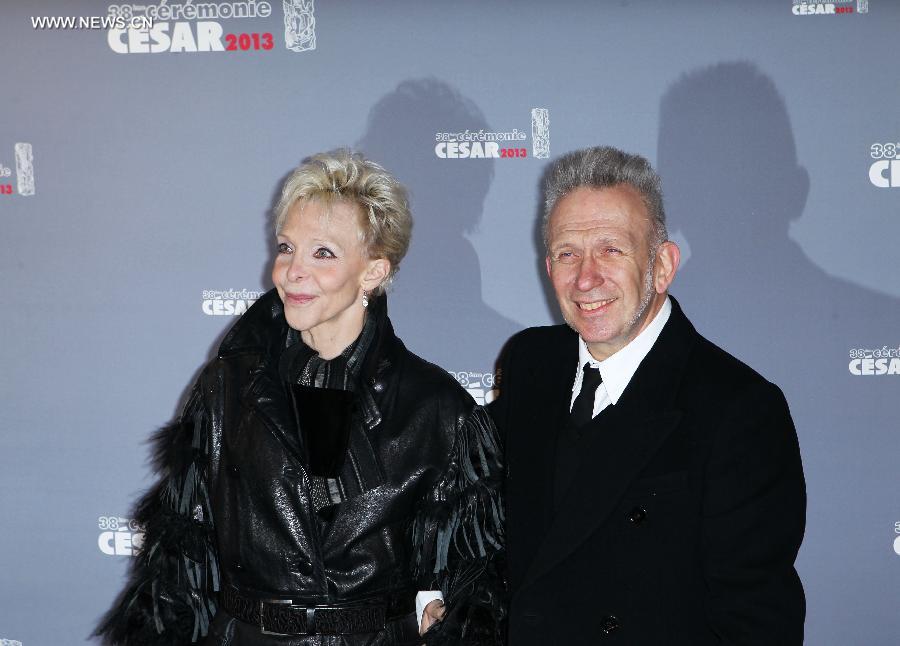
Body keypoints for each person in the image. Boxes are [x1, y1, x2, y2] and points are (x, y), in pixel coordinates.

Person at [95, 150, 505, 645]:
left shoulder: (437, 410)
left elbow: (474, 589)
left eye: (323, 253)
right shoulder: (226, 388)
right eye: (287, 248)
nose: (292, 272)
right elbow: (181, 571)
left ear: (374, 271)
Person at [490, 146, 806, 645]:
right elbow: (482, 511)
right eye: (567, 253)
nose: (586, 277)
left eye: (611, 249)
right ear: (548, 268)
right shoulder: (532, 363)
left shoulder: (738, 410)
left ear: (662, 266)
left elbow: (755, 624)